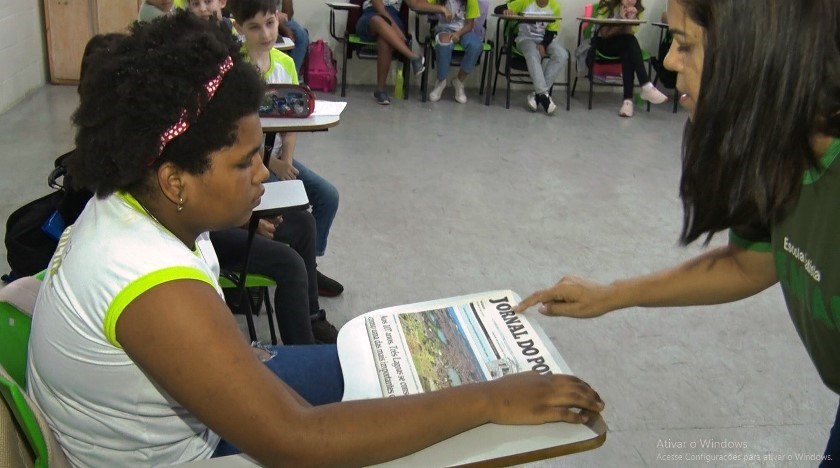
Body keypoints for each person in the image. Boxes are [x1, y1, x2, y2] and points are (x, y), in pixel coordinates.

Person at [25, 12, 604, 466]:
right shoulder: (150, 283)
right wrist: (490, 401)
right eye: (245, 161)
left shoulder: (131, 202)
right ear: (175, 179)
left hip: (187, 416)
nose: (262, 172)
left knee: (393, 375)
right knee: (441, 421)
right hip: (190, 457)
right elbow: (296, 442)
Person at [516, 0, 840, 465]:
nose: (668, 61)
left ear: (762, 51)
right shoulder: (779, 147)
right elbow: (751, 262)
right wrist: (613, 295)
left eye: (685, 45)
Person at [187, 0, 338, 345]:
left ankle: (310, 314)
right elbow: (191, 208)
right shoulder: (191, 126)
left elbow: (241, 164)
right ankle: (305, 353)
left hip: (232, 207)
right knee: (289, 262)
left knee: (305, 220)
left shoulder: (212, 114)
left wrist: (253, 203)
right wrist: (244, 218)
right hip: (209, 232)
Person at [231, 0, 345, 299]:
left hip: (279, 156)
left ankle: (311, 265)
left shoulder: (285, 64)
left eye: (270, 23)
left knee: (327, 196)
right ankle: (288, 268)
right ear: (238, 27)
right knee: (290, 214)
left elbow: (293, 120)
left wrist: (287, 159)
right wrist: (273, 165)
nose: (266, 33)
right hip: (252, 161)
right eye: (254, 27)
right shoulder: (236, 70)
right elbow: (237, 137)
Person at [356, 0, 448, 105]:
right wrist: (396, 29)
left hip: (393, 16)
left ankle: (380, 90)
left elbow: (415, 4)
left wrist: (441, 8)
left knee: (384, 39)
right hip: (370, 16)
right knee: (378, 20)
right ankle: (412, 56)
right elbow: (380, 8)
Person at [591, 0, 667, 117]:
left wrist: (629, 20)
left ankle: (627, 103)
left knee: (628, 50)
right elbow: (604, 34)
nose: (630, 0)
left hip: (624, 45)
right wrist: (620, 18)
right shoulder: (607, 4)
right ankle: (645, 86)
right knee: (629, 44)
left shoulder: (638, 10)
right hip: (603, 44)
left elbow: (629, 35)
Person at [495, 0, 567, 114]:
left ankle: (538, 95)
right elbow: (497, 9)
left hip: (544, 40)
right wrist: (505, 10)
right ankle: (543, 94)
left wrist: (543, 44)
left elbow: (552, 31)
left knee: (562, 54)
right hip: (525, 39)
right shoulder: (524, 2)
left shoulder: (554, 6)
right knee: (533, 53)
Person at [426, 0, 483, 104]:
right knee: (444, 42)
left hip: (464, 30)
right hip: (443, 28)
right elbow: (423, 5)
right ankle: (441, 81)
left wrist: (458, 34)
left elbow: (470, 25)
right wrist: (441, 8)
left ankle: (459, 81)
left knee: (476, 45)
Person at [276, 0, 309, 75]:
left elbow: (288, 15)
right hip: (264, 17)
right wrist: (283, 29)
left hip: (280, 20)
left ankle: (292, 77)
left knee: (301, 35)